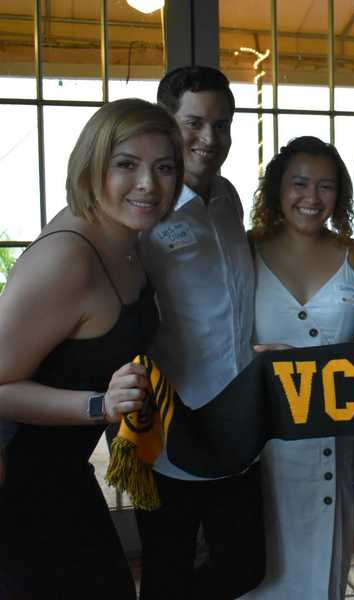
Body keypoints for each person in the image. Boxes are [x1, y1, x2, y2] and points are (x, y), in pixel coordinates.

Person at [0, 98, 181, 598]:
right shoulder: (66, 259)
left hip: (62, 477)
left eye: (163, 167)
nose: (148, 183)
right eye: (127, 164)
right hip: (15, 491)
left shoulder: (128, 237)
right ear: (93, 166)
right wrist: (100, 404)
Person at [135, 66, 265, 600]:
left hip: (240, 415)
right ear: (166, 122)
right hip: (172, 424)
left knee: (245, 566)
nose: (209, 139)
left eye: (222, 124)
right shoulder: (145, 209)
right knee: (167, 569)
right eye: (194, 123)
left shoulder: (230, 197)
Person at [241, 137, 354, 599]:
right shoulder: (246, 250)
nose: (312, 198)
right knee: (258, 566)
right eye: (299, 183)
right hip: (262, 437)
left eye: (326, 187)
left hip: (334, 434)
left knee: (323, 569)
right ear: (278, 188)